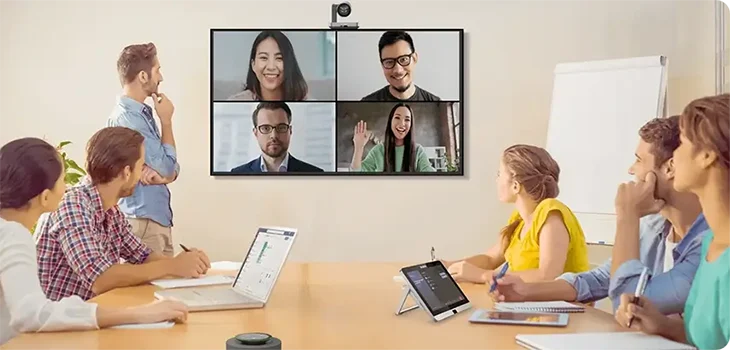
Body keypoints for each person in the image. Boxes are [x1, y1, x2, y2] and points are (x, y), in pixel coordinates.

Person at [489, 117, 708, 316]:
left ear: (670, 168)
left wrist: (627, 216)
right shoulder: (655, 226)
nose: (631, 170)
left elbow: (631, 300)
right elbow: (600, 279)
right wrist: (525, 291)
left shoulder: (709, 240)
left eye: (638, 160)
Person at [0, 137, 188, 346]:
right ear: (45, 197)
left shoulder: (111, 211)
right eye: (63, 180)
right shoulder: (15, 235)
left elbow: (141, 255)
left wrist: (179, 265)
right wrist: (138, 314)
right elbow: (33, 314)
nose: (67, 187)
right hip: (40, 338)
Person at [35, 127, 211, 302]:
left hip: (89, 314)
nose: (143, 173)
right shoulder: (73, 205)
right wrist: (172, 266)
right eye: (141, 166)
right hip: (59, 324)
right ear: (126, 172)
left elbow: (143, 256)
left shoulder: (111, 211)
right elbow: (100, 279)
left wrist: (186, 262)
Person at [615, 94, 730, 350]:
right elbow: (711, 339)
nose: (674, 156)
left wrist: (626, 217)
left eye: (682, 144)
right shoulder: (712, 243)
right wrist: (661, 324)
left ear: (707, 156)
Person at [443, 145, 590, 283]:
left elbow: (547, 275)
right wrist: (448, 266)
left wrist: (482, 275)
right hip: (529, 304)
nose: (496, 180)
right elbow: (490, 259)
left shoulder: (551, 215)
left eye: (499, 174)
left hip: (564, 307)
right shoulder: (519, 220)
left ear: (515, 185)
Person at [107, 42, 180, 257]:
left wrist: (167, 175)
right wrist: (166, 121)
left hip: (153, 219)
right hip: (143, 222)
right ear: (143, 76)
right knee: (149, 290)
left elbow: (169, 170)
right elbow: (168, 167)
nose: (161, 77)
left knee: (164, 287)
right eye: (157, 70)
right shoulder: (130, 119)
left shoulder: (140, 115)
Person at [230, 102, 323, 173]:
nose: (274, 136)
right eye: (265, 128)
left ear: (290, 131)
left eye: (281, 127)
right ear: (256, 133)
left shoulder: (314, 174)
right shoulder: (237, 174)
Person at [350, 103, 435, 172]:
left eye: (407, 119)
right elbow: (356, 173)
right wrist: (358, 147)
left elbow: (430, 175)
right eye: (397, 117)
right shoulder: (378, 150)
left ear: (411, 124)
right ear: (390, 122)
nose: (402, 124)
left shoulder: (418, 151)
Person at [228, 30, 308, 101]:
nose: (271, 67)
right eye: (263, 58)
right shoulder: (234, 102)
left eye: (279, 58)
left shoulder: (305, 101)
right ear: (253, 65)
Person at [361, 31, 440, 101]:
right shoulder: (365, 102)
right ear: (382, 65)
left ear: (415, 58)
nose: (398, 70)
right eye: (389, 62)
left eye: (403, 59)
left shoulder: (434, 101)